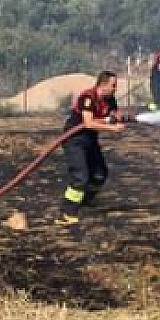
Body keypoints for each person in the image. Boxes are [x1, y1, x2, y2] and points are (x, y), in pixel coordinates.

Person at [59, 70, 125, 225]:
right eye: (113, 85)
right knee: (80, 177)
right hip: (74, 139)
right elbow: (88, 123)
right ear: (103, 84)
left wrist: (119, 118)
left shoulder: (110, 99)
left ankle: (85, 201)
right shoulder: (88, 97)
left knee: (100, 174)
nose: (115, 88)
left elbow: (113, 115)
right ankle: (67, 212)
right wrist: (112, 127)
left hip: (90, 139)